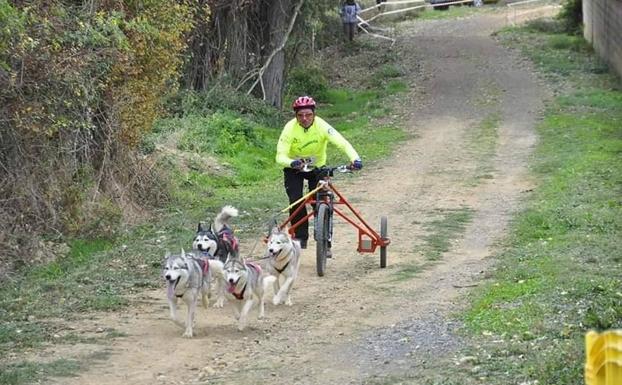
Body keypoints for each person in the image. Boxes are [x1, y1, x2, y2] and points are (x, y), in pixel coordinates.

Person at [276, 96, 362, 250]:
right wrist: (292, 162)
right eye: (300, 115)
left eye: (308, 114)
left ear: (314, 114)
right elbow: (279, 156)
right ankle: (300, 238)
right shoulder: (289, 128)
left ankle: (325, 237)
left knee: (321, 199)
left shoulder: (322, 126)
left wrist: (355, 159)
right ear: (295, 116)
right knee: (296, 199)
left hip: (318, 169)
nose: (304, 118)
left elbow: (342, 143)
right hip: (294, 169)